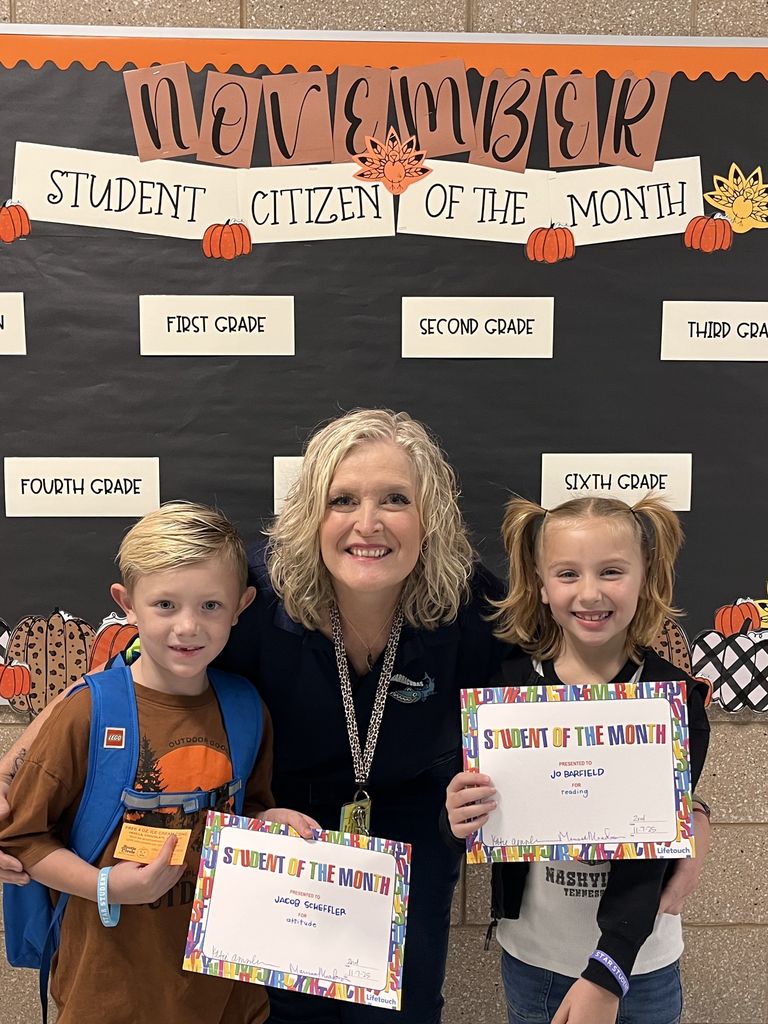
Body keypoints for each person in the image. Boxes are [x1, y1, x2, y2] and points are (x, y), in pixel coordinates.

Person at [0, 413, 711, 1022]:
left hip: (412, 835)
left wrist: (687, 801)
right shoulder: (256, 590)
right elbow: (156, 651)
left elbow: (593, 665)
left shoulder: (471, 600)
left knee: (403, 1008)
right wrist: (43, 729)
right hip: (283, 828)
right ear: (312, 511)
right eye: (344, 499)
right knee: (276, 1009)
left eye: (394, 499)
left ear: (427, 514)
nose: (367, 523)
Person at [0, 501, 316, 1024]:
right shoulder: (87, 713)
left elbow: (247, 807)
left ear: (242, 605)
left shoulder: (245, 709)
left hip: (223, 994)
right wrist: (107, 886)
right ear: (127, 604)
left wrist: (269, 823)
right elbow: (25, 839)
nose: (188, 627)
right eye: (165, 604)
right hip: (109, 991)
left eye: (211, 606)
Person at [446, 495, 711, 1024]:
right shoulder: (507, 694)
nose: (589, 592)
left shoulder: (673, 699)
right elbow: (477, 817)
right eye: (568, 573)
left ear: (645, 578)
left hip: (639, 963)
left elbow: (649, 854)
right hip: (537, 960)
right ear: (542, 585)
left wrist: (607, 971)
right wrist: (453, 815)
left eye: (612, 571)